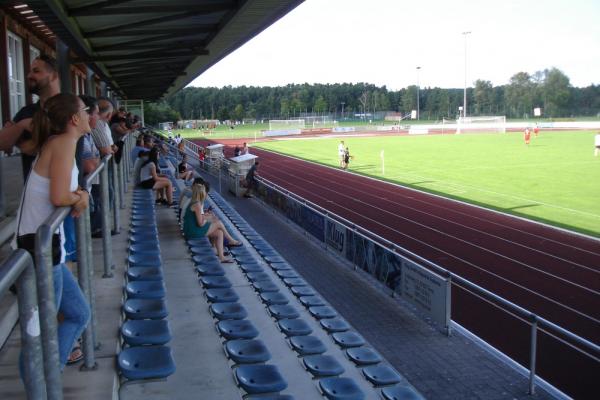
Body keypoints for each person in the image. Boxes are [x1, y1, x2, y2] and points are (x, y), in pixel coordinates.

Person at [15, 93, 91, 370]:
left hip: (47, 249)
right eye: (85, 110)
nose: (89, 115)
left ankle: (50, 378)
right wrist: (81, 197)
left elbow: (61, 192)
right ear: (74, 119)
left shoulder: (60, 142)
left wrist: (79, 194)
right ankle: (44, 384)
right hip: (39, 251)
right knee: (41, 335)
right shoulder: (63, 143)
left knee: (79, 314)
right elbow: (60, 196)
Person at [0, 55, 60, 180]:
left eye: (36, 71)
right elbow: (3, 143)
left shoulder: (70, 107)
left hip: (66, 192)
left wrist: (19, 140)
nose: (29, 75)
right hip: (33, 191)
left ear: (53, 76)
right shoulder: (26, 112)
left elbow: (61, 149)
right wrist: (22, 125)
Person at [183, 179, 240, 263]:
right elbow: (200, 223)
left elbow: (199, 218)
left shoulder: (195, 202)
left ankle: (221, 257)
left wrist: (207, 217)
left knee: (219, 232)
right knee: (218, 223)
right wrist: (209, 220)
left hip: (191, 229)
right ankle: (231, 240)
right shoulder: (197, 204)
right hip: (192, 232)